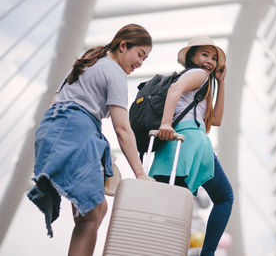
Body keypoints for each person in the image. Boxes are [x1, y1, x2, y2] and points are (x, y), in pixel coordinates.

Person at [27, 23, 153, 256]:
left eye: (145, 59)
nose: (140, 63)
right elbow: (122, 129)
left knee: (95, 210)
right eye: (140, 54)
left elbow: (57, 100)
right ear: (123, 46)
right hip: (75, 130)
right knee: (93, 212)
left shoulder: (89, 62)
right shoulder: (114, 71)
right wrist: (140, 173)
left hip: (56, 129)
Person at [148, 36, 234, 256]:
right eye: (205, 54)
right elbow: (175, 90)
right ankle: (207, 254)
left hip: (173, 146)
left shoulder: (202, 80)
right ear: (191, 56)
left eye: (214, 58)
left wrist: (221, 82)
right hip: (191, 143)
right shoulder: (198, 74)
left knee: (173, 211)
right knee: (224, 198)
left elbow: (215, 121)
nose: (210, 61)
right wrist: (166, 123)